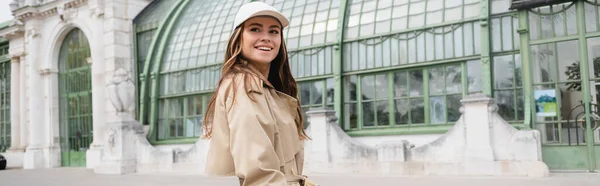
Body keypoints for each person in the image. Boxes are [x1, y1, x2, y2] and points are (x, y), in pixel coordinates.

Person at [202, 2, 311, 186]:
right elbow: (259, 172)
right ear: (239, 38)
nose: (266, 38)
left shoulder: (267, 89)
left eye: (274, 31)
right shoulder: (243, 85)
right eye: (255, 29)